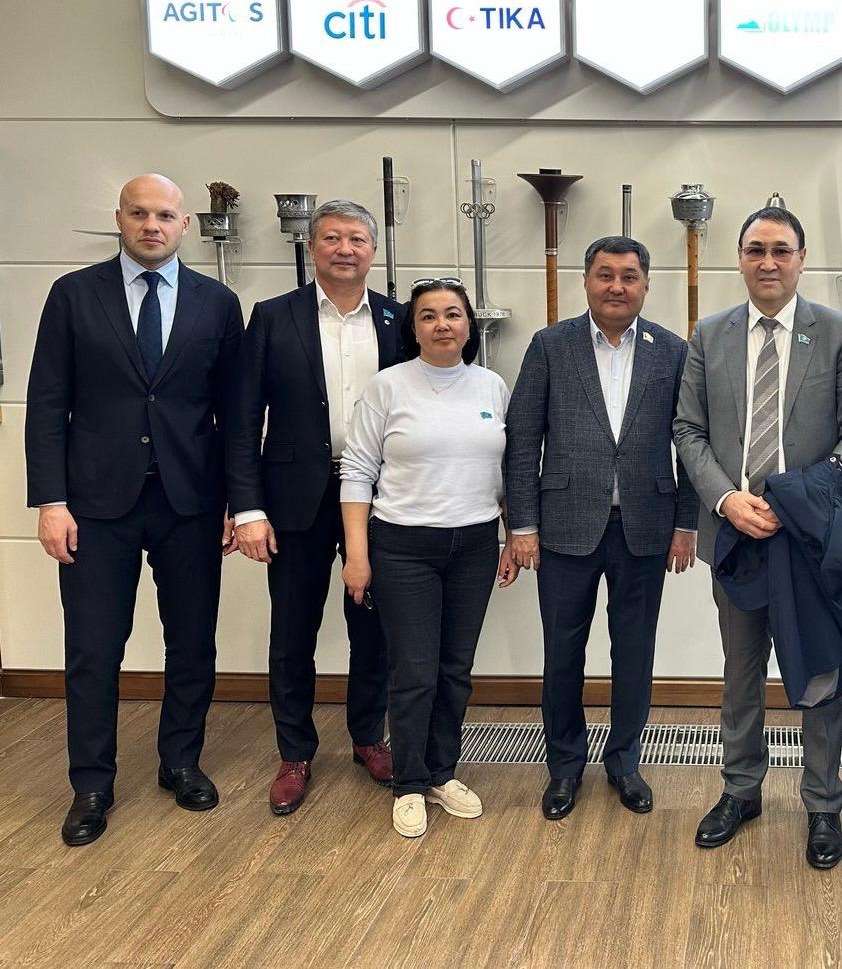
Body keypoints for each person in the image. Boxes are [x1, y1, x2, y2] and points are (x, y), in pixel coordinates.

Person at [25, 173, 244, 846]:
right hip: (95, 506)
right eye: (140, 213)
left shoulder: (217, 303)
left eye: (166, 215)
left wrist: (239, 503)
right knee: (94, 648)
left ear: (185, 225)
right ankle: (92, 783)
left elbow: (234, 414)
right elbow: (46, 404)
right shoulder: (73, 295)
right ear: (119, 218)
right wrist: (51, 501)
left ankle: (180, 762)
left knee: (192, 642)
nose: (153, 225)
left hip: (191, 502)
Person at [506, 236, 698, 822]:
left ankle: (624, 762)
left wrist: (686, 522)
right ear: (586, 281)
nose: (617, 286)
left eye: (629, 276)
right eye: (605, 275)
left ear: (646, 284)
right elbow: (523, 439)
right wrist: (522, 524)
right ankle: (564, 766)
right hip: (563, 526)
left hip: (646, 525)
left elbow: (692, 441)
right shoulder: (550, 345)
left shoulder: (673, 350)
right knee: (562, 652)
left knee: (634, 652)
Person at [674, 206, 842, 870]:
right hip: (735, 534)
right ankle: (741, 791)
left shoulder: (834, 332)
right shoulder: (709, 334)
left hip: (811, 541)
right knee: (740, 673)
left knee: (821, 672)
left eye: (780, 250)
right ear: (740, 258)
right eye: (755, 250)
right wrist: (726, 498)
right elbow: (688, 429)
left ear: (801, 258)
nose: (767, 262)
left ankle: (823, 803)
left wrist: (797, 499)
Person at [226, 200, 403, 816]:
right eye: (332, 238)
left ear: (373, 250)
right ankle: (295, 752)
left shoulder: (397, 319)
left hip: (378, 497)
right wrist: (247, 508)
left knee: (373, 627)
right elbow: (243, 420)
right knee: (292, 630)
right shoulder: (274, 316)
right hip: (294, 498)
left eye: (357, 239)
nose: (345, 249)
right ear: (312, 246)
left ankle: (368, 737)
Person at [340, 279, 518, 838]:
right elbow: (357, 471)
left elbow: (505, 473)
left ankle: (442, 773)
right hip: (402, 547)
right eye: (428, 316)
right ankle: (410, 783)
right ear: (412, 328)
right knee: (414, 671)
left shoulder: (491, 386)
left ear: (468, 325)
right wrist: (357, 555)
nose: (442, 324)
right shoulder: (388, 387)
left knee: (455, 670)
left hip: (474, 546)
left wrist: (511, 538)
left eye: (453, 314)